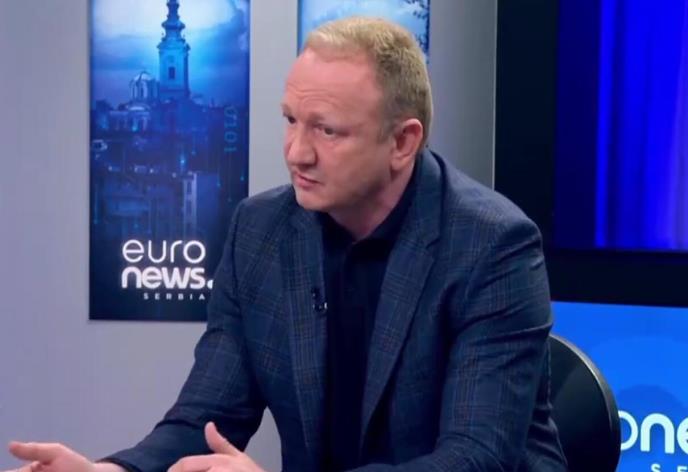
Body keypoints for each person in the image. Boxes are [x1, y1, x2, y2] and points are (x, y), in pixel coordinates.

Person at [5, 16, 567, 472]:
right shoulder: (261, 230)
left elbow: (474, 459)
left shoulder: (493, 245)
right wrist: (114, 471)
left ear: (402, 141)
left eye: (327, 130)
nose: (297, 152)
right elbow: (208, 415)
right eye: (291, 120)